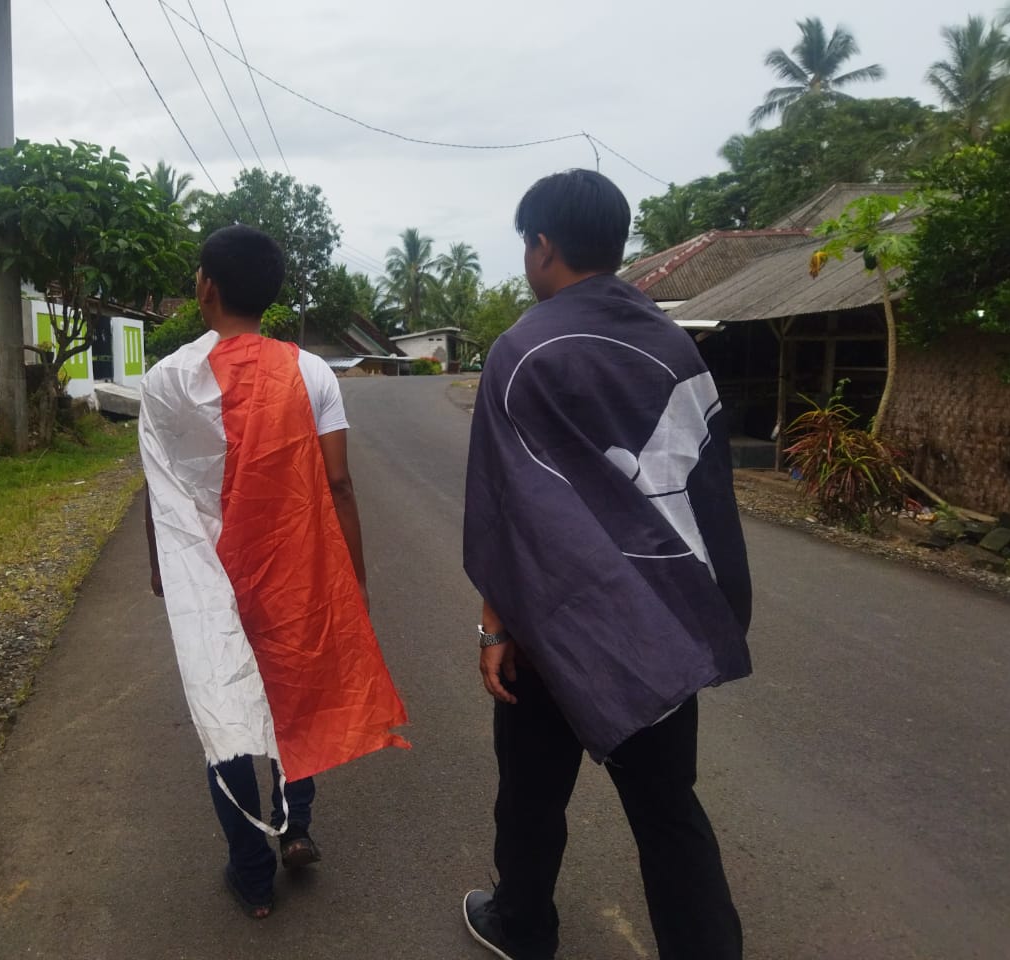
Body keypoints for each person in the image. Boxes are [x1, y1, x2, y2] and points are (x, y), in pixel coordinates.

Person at [461, 170, 753, 960]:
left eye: (527, 243)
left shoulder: (522, 351)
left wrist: (494, 624)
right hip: (659, 621)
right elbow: (705, 489)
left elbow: (511, 502)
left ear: (542, 245)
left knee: (530, 794)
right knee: (667, 809)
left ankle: (522, 926)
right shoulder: (673, 345)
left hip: (554, 621)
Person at [139, 225, 408, 920]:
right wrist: (355, 578)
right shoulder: (311, 372)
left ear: (206, 288)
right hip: (295, 570)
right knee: (296, 691)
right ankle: (296, 828)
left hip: (211, 576)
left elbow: (162, 489)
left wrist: (162, 569)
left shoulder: (169, 380)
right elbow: (339, 484)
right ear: (272, 295)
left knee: (223, 703)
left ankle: (250, 874)